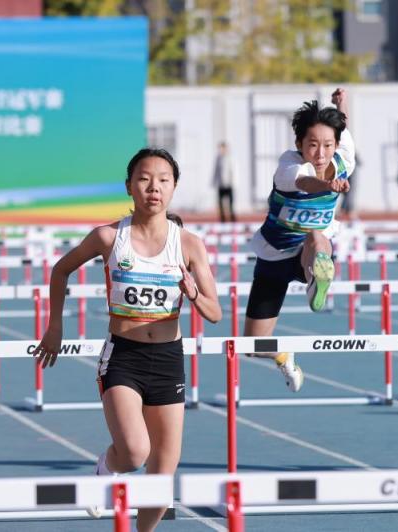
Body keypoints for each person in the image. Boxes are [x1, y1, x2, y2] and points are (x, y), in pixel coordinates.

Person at [33, 148, 222, 530]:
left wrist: (194, 293)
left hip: (168, 359)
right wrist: (55, 327)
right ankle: (105, 469)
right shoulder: (108, 236)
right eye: (145, 179)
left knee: (161, 483)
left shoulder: (189, 244)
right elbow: (60, 270)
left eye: (163, 180)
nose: (154, 187)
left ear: (173, 188)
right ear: (129, 187)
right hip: (124, 357)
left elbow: (215, 313)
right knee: (135, 451)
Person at [244, 88, 355, 392]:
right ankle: (282, 355)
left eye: (327, 145)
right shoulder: (289, 166)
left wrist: (339, 105)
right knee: (252, 344)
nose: (320, 153)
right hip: (275, 253)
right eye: (313, 145)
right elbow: (303, 182)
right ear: (299, 144)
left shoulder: (345, 157)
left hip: (310, 247)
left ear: (337, 144)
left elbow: (344, 130)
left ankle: (316, 278)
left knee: (318, 238)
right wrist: (326, 185)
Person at [212, 141, 237, 222]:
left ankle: (232, 218)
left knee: (230, 203)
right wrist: (214, 181)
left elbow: (234, 171)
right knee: (220, 202)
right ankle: (223, 219)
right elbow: (216, 171)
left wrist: (234, 182)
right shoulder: (218, 158)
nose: (221, 150)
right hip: (221, 184)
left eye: (223, 148)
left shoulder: (231, 158)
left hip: (229, 184)